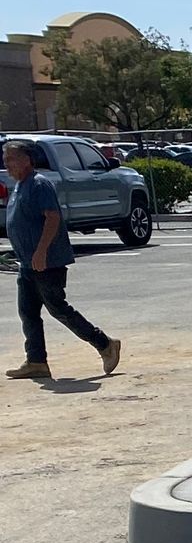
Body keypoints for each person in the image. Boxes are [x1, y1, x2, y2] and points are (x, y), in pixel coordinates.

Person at [5, 140, 120, 382]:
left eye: (11, 158)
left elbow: (53, 218)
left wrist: (41, 252)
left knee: (58, 308)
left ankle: (105, 344)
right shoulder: (19, 187)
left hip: (46, 263)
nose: (7, 163)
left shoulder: (39, 184)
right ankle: (36, 361)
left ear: (27, 160)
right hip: (27, 264)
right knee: (27, 312)